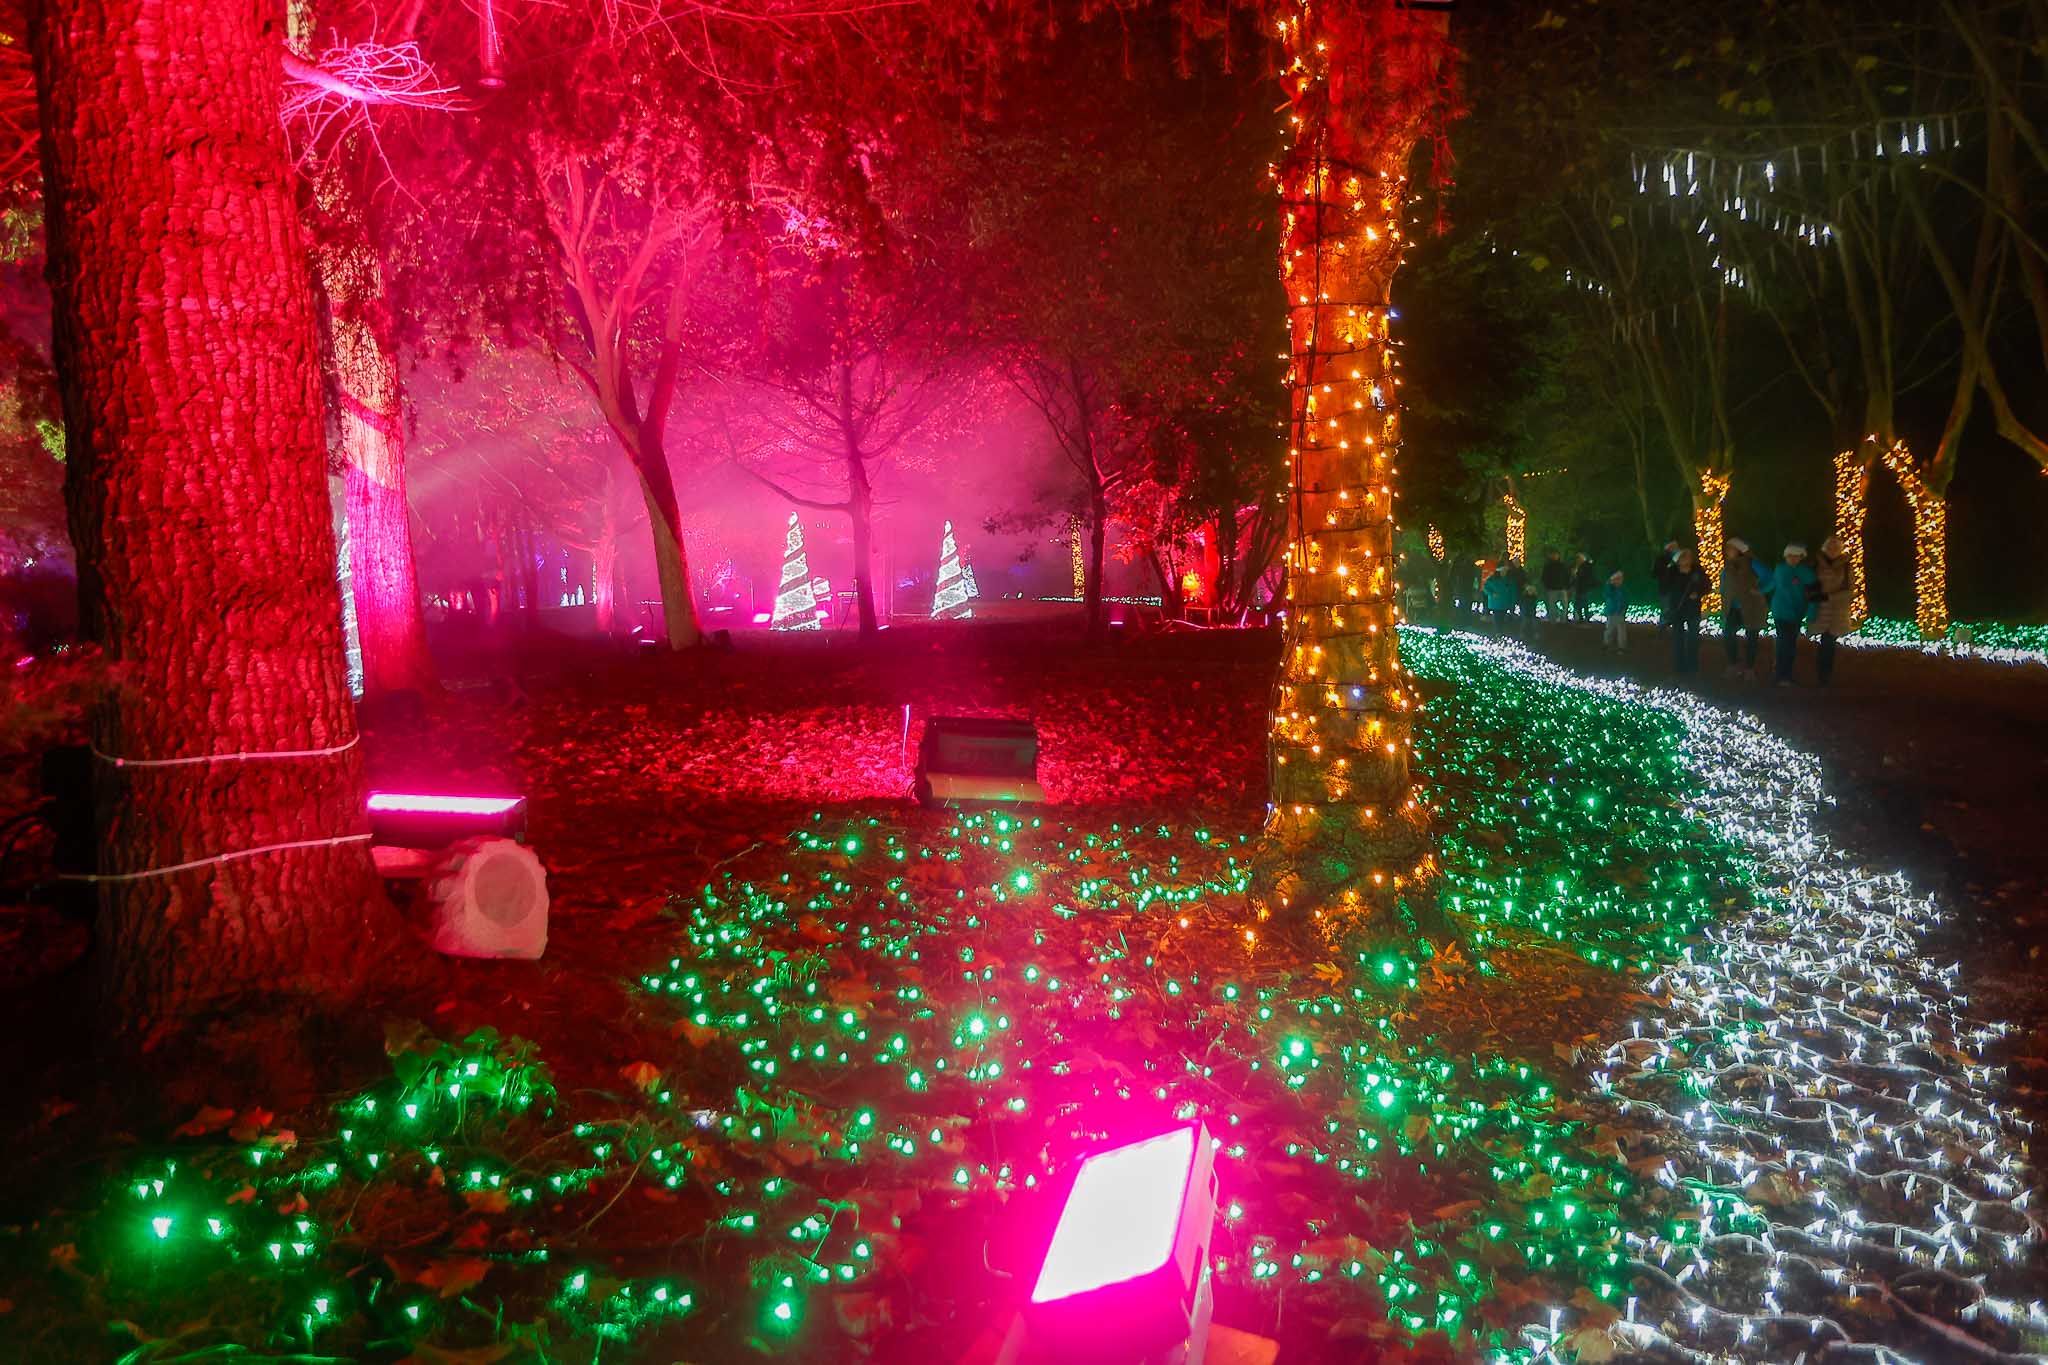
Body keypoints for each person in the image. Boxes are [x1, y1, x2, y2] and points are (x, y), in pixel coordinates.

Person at [1767, 541, 1820, 685]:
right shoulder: (1780, 569)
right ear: (1786, 556)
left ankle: (1786, 674)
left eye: (1796, 556)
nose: (1793, 558)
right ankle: (1780, 674)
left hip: (1797, 613)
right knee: (1783, 642)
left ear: (1801, 557)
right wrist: (1758, 592)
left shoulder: (1806, 572)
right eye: (1790, 556)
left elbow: (1815, 594)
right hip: (1781, 611)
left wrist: (1811, 612)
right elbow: (1773, 584)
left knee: (1789, 644)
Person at [1718, 536, 1772, 674]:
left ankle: (1750, 667)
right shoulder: (1727, 566)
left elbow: (1770, 577)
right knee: (1729, 634)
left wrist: (1760, 590)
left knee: (1752, 637)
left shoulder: (1752, 563)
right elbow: (1723, 585)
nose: (1727, 551)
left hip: (1751, 606)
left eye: (1730, 548)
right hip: (1732, 607)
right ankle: (1733, 663)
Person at [1811, 534, 1858, 685]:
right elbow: (1810, 583)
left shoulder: (1846, 566)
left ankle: (1825, 677)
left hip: (1837, 611)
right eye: (1830, 547)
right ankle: (1821, 676)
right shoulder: (1816, 563)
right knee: (1823, 642)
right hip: (1820, 609)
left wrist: (1832, 597)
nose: (1832, 550)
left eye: (1835, 547)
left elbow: (1851, 590)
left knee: (1829, 643)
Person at [1670, 548, 1708, 673]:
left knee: (1693, 638)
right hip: (1678, 610)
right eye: (1684, 557)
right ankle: (1679, 665)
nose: (1687, 559)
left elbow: (1707, 585)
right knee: (1678, 638)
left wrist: (1698, 593)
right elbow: (1665, 586)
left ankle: (1692, 665)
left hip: (1693, 609)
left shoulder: (1697, 571)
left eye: (1688, 556)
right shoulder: (1672, 572)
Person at [1482, 560, 1517, 633]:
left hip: (1505, 603)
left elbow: (1512, 592)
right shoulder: (1492, 579)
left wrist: (1513, 603)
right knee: (1497, 619)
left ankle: (1499, 632)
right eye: (1503, 570)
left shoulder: (1509, 580)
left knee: (1502, 619)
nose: (1504, 572)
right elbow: (1485, 587)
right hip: (1496, 603)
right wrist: (1492, 593)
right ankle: (1498, 632)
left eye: (1505, 570)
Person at [1652, 540, 1681, 627]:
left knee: (1673, 608)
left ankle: (1671, 626)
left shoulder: (1679, 558)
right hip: (1666, 588)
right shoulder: (1662, 559)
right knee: (1666, 608)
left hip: (1676, 588)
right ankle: (1663, 627)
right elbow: (1656, 573)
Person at [1602, 570, 1629, 652]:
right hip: (1612, 612)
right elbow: (1606, 595)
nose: (1620, 581)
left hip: (1619, 612)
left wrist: (1624, 608)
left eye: (1620, 579)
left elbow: (1625, 600)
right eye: (1617, 579)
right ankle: (1607, 643)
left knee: (1620, 630)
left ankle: (1621, 646)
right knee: (1610, 629)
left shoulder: (1621, 589)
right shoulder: (1611, 589)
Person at [1540, 549, 1570, 621]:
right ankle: (1553, 620)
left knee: (1564, 605)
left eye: (1556, 555)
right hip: (1552, 588)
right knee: (1552, 606)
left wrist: (1567, 585)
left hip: (1562, 588)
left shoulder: (1562, 565)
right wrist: (1548, 586)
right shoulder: (1548, 566)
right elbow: (1544, 577)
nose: (1554, 556)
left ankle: (1562, 619)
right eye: (1553, 555)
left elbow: (1567, 576)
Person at [1571, 552, 1597, 621]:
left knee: (1584, 603)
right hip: (1579, 587)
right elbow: (1575, 577)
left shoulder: (1586, 566)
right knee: (1579, 603)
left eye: (1579, 558)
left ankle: (1585, 618)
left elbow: (1586, 575)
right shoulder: (1578, 566)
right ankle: (1581, 618)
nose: (1578, 560)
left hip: (1584, 587)